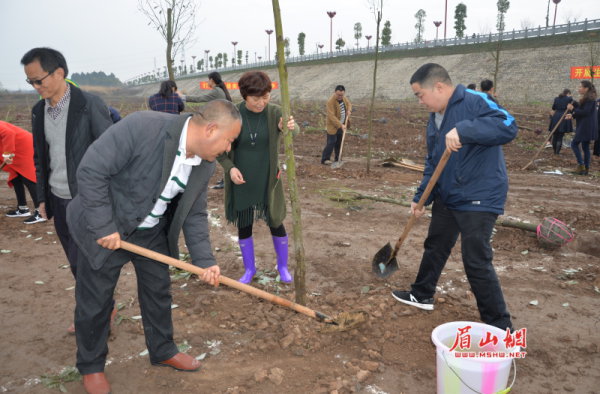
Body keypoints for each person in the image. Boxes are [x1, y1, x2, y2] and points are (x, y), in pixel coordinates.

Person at [66, 100, 242, 394]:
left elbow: (194, 214)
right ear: (211, 129)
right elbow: (92, 170)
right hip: (106, 226)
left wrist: (204, 261)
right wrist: (103, 226)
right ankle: (91, 366)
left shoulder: (205, 163)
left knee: (158, 291)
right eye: (229, 140)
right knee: (95, 301)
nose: (227, 149)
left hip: (150, 230)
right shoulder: (143, 127)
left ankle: (162, 350)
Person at [391, 63, 517, 331]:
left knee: (475, 259)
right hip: (449, 195)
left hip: (479, 195)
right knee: (435, 245)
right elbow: (433, 162)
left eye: (420, 95)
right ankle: (422, 293)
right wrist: (421, 197)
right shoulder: (435, 117)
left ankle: (500, 327)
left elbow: (508, 125)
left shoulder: (474, 100)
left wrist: (465, 129)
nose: (420, 101)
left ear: (438, 86)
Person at [21, 47, 114, 333]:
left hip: (86, 200)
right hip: (58, 199)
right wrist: (41, 198)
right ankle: (98, 309)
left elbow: (111, 151)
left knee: (87, 262)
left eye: (39, 80)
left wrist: (107, 202)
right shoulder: (39, 111)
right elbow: (40, 157)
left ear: (59, 73)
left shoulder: (89, 104)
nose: (36, 87)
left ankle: (97, 316)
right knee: (75, 263)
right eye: (30, 82)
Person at [217, 71, 298, 284]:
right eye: (256, 98)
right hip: (242, 180)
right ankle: (249, 269)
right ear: (245, 95)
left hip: (268, 179)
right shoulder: (234, 115)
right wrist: (230, 168)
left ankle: (282, 267)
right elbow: (219, 149)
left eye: (266, 96)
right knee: (244, 225)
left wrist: (288, 127)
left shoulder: (275, 112)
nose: (261, 102)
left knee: (276, 221)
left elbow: (295, 129)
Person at [187, 71, 233, 190]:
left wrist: (183, 98)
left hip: (222, 125)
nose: (208, 82)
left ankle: (226, 179)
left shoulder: (217, 91)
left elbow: (201, 98)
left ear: (212, 80)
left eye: (208, 80)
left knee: (221, 152)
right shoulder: (220, 90)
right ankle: (225, 179)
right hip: (223, 123)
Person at [0, 121, 46, 224]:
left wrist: (7, 153)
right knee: (16, 177)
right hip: (14, 149)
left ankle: (41, 212)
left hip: (24, 146)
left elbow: (8, 133)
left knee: (28, 177)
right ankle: (22, 208)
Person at [566, 80, 598, 175]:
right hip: (586, 125)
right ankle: (586, 168)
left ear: (586, 88)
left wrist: (573, 109)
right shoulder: (588, 98)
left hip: (585, 126)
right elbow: (581, 109)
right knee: (585, 146)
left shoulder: (590, 99)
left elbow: (585, 112)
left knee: (574, 144)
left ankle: (581, 165)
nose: (578, 89)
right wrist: (573, 113)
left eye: (580, 87)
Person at [321, 85, 352, 165]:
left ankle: (338, 159)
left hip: (342, 124)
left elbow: (349, 104)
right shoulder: (330, 102)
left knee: (339, 141)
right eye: (338, 95)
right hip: (333, 126)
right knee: (331, 142)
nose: (340, 97)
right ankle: (325, 159)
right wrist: (340, 125)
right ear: (335, 93)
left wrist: (349, 110)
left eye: (341, 95)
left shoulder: (343, 98)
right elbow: (331, 116)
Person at [548, 89, 574, 154]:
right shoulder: (569, 99)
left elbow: (553, 108)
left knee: (555, 135)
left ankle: (555, 152)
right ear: (568, 93)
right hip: (564, 117)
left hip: (556, 116)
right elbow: (571, 109)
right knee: (560, 136)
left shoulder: (556, 98)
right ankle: (557, 153)